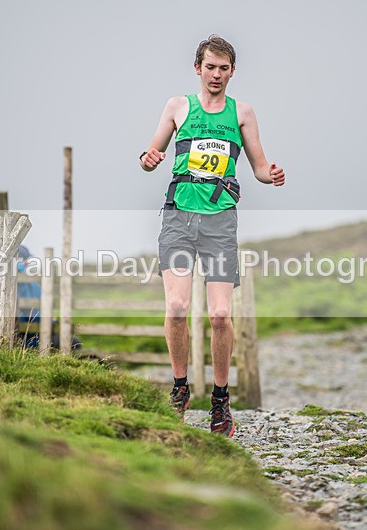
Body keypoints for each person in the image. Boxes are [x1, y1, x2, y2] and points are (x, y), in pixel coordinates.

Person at [139, 35, 285, 437]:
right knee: (177, 307)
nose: (216, 74)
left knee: (220, 315)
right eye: (210, 67)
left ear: (232, 72)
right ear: (198, 68)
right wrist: (149, 159)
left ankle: (220, 399)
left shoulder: (243, 112)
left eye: (224, 68)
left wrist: (269, 175)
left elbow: (256, 165)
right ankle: (180, 388)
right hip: (179, 218)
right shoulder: (177, 106)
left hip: (220, 220)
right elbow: (151, 156)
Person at [16, 245, 82, 351]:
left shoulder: (25, 279)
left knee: (73, 342)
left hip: (32, 330)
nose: (28, 264)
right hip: (33, 334)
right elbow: (33, 309)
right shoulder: (25, 279)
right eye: (27, 261)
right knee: (75, 343)